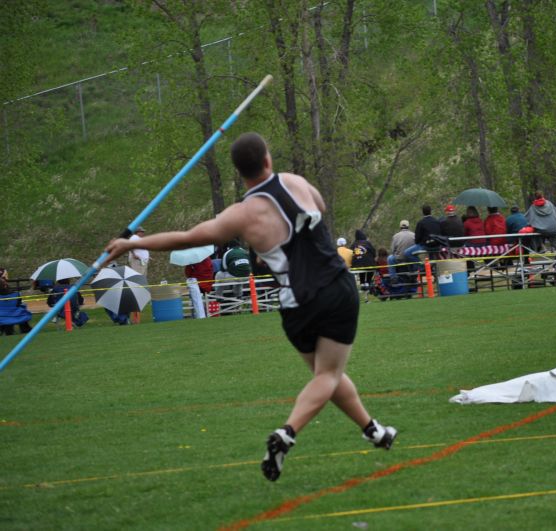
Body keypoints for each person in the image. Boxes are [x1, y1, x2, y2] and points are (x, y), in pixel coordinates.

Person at [103, 131, 396, 482]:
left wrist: (130, 242)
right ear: (268, 160)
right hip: (333, 289)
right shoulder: (295, 182)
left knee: (325, 377)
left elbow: (186, 238)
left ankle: (373, 430)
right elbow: (319, 206)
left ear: (239, 173)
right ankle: (287, 433)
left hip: (294, 304)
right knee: (328, 376)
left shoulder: (239, 216)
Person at [128, 227, 149, 324]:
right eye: (142, 232)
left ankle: (141, 293)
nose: (143, 233)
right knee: (137, 281)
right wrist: (133, 254)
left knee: (142, 280)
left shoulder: (139, 239)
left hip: (142, 262)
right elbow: (130, 246)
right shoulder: (134, 238)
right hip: (137, 262)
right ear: (138, 232)